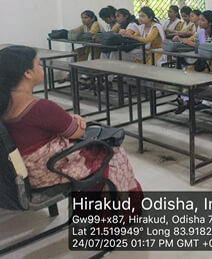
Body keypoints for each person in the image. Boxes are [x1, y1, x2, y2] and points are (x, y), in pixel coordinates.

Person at [0, 46, 142, 193]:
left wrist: (64, 120)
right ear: (28, 73)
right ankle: (124, 201)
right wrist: (76, 120)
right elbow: (77, 132)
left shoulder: (6, 104)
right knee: (114, 153)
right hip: (48, 171)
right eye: (38, 64)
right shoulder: (40, 108)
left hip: (25, 172)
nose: (41, 68)